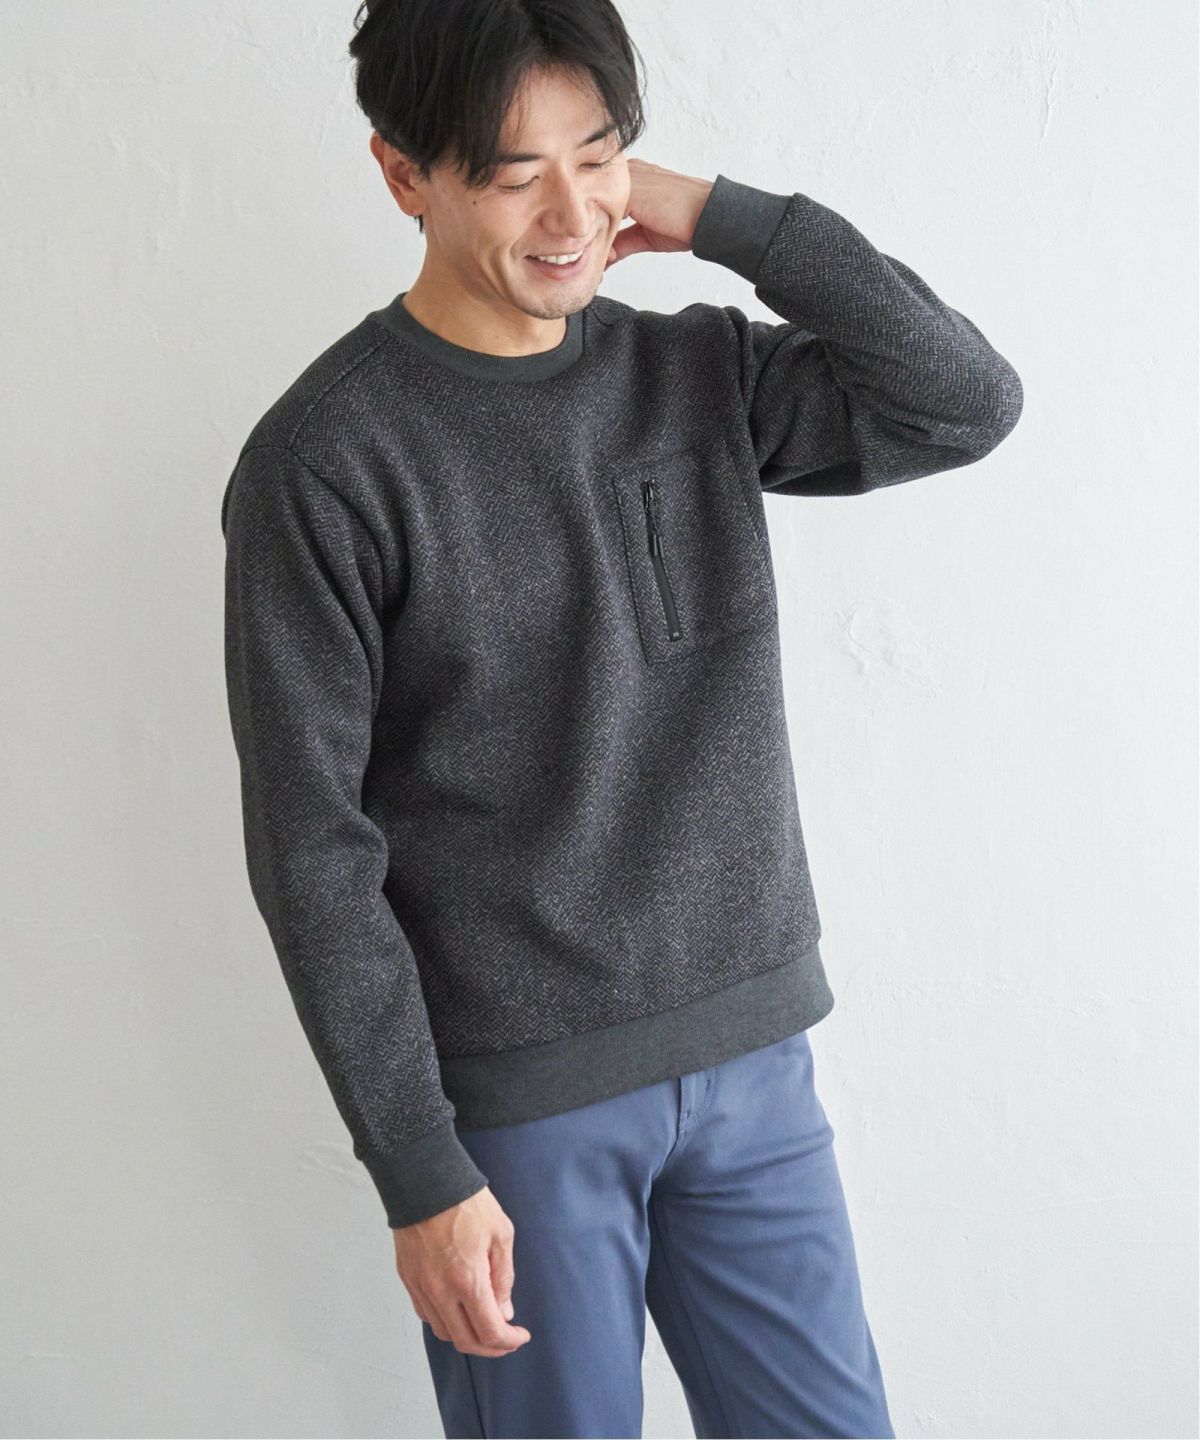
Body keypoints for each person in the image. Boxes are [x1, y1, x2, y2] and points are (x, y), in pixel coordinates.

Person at [220, 1, 1023, 1434]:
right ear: (403, 175)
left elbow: (964, 403)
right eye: (513, 172)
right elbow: (310, 848)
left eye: (597, 156)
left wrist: (724, 218)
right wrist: (419, 1169)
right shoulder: (327, 461)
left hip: (754, 1058)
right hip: (519, 1113)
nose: (572, 213)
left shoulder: (694, 371)